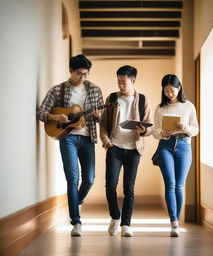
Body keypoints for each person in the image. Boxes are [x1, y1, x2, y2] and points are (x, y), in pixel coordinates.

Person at [37, 54, 104, 236]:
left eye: (86, 74)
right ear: (71, 71)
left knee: (89, 178)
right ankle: (76, 222)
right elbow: (41, 112)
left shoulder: (95, 90)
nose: (83, 77)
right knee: (72, 179)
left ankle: (76, 201)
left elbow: (100, 117)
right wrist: (55, 117)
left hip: (87, 137)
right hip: (67, 138)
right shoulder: (58, 90)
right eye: (79, 73)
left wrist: (98, 116)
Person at [100, 65, 153, 237]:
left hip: (133, 149)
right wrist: (106, 140)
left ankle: (126, 225)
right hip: (114, 147)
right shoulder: (112, 98)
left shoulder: (143, 100)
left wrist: (143, 130)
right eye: (118, 81)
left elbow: (149, 127)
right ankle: (115, 217)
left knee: (129, 189)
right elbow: (103, 123)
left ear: (133, 81)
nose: (120, 85)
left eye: (123, 82)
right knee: (110, 185)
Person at [152, 74, 199, 237]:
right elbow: (155, 132)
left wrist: (184, 126)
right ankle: (173, 222)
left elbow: (195, 130)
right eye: (166, 91)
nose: (169, 94)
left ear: (179, 89)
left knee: (179, 185)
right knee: (170, 184)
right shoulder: (160, 108)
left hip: (184, 146)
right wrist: (162, 133)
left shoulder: (189, 106)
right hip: (165, 146)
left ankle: (177, 220)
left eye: (172, 90)